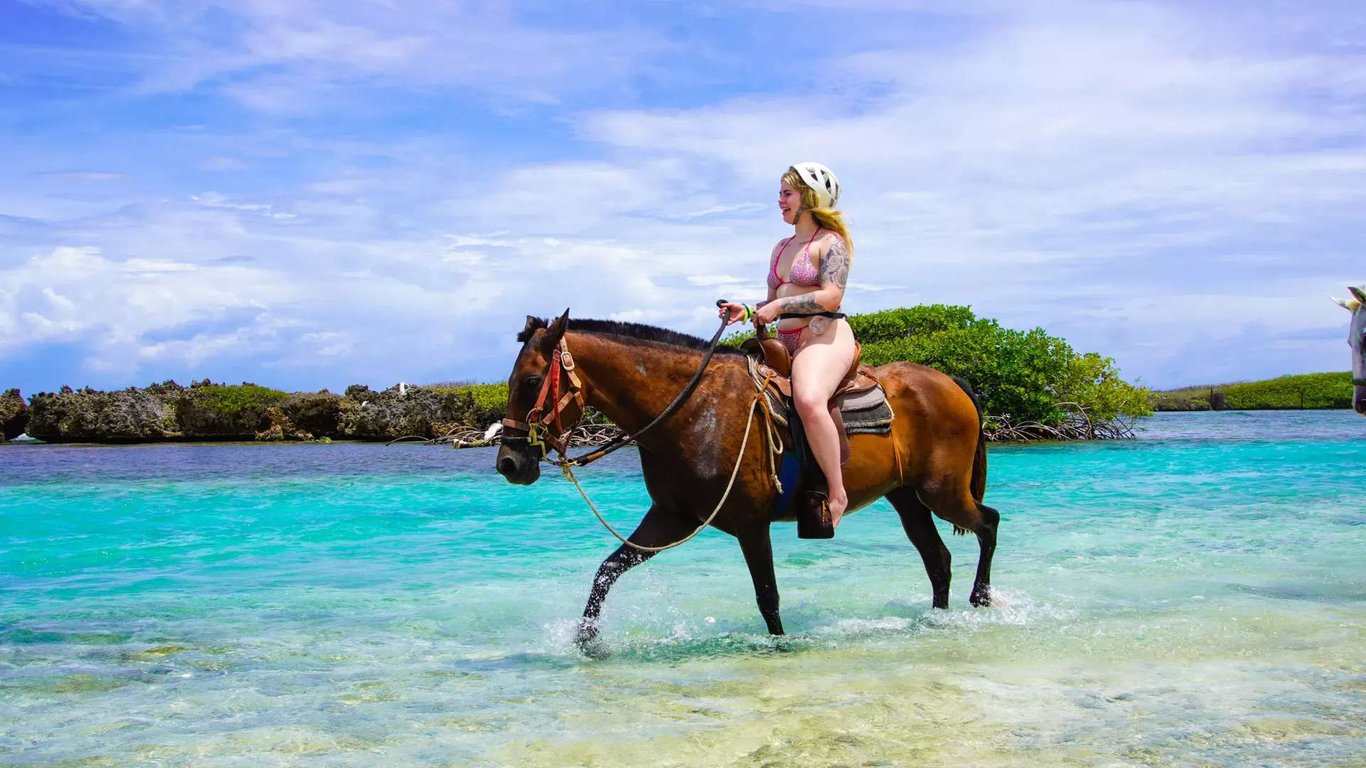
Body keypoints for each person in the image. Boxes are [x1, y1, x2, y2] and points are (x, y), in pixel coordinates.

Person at [719, 161, 857, 529]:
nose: (780, 200)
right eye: (780, 193)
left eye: (787, 193)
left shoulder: (831, 244)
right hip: (784, 342)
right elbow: (771, 303)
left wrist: (780, 306)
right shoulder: (780, 247)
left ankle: (837, 492)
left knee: (810, 401)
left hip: (823, 336)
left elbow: (831, 297)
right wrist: (748, 309)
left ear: (809, 198)